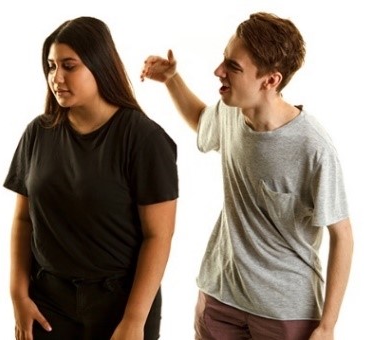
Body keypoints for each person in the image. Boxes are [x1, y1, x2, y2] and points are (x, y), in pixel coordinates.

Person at [141, 11, 353, 340]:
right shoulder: (229, 111)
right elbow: (202, 121)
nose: (218, 72)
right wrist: (172, 79)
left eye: (233, 67)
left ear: (271, 81)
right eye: (224, 59)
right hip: (219, 297)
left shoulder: (313, 147)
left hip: (284, 313)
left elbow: (342, 236)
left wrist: (327, 326)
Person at [4, 16, 178, 340]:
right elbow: (23, 220)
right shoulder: (37, 133)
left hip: (121, 304)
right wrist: (18, 295)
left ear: (99, 65)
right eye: (51, 66)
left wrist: (134, 320)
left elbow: (158, 236)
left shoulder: (145, 139)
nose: (56, 77)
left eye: (69, 66)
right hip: (47, 304)